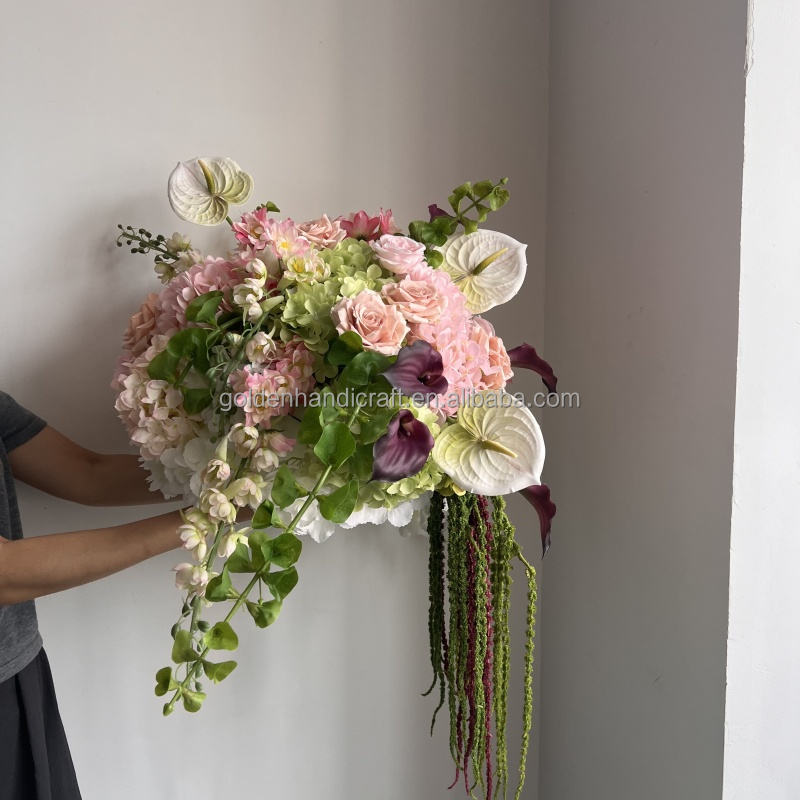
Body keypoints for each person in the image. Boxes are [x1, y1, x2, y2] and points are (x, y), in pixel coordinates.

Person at [0, 390, 184, 800]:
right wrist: (206, 518)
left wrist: (245, 471)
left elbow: (87, 473)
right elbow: (5, 573)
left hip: (19, 674)